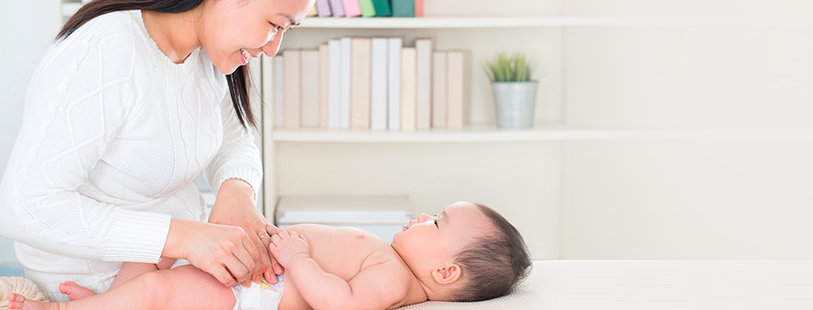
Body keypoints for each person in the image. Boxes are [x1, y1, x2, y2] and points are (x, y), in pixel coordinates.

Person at [0, 0, 314, 301]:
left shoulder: (209, 49)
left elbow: (233, 137)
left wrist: (237, 194)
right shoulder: (108, 49)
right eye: (275, 25)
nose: (273, 49)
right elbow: (23, 207)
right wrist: (186, 238)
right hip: (99, 285)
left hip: (172, 264)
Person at [7, 201, 533, 310]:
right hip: (256, 268)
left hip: (257, 291)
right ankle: (104, 304)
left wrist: (301, 257)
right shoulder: (394, 260)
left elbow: (340, 304)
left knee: (156, 290)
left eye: (435, 222)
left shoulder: (398, 284)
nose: (421, 217)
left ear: (445, 271)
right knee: (158, 253)